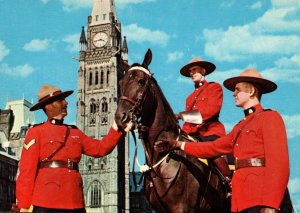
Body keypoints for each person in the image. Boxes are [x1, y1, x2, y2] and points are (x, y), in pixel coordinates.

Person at [155, 68, 290, 213]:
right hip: (240, 202)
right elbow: (213, 147)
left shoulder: (270, 118)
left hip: (260, 199)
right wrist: (178, 144)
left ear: (251, 91)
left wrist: (271, 204)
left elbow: (279, 165)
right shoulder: (240, 126)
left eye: (238, 90)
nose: (234, 94)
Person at [16, 85, 132, 213]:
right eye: (60, 100)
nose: (66, 103)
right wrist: (24, 206)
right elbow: (26, 173)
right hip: (46, 202)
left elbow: (100, 149)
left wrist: (117, 128)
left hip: (74, 202)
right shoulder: (36, 132)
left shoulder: (74, 132)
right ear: (48, 106)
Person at [177, 57, 231, 184]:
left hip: (210, 132)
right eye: (190, 71)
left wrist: (182, 115)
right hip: (192, 134)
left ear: (203, 71)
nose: (192, 73)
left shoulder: (214, 88)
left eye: (195, 70)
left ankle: (228, 181)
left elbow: (210, 111)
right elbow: (188, 124)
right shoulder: (189, 98)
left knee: (213, 150)